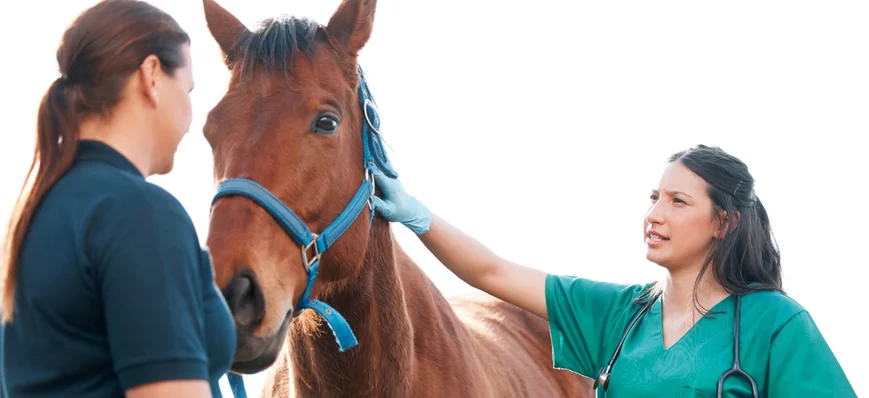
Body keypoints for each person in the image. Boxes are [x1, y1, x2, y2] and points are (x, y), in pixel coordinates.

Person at [371, 144, 856, 397]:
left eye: (678, 202)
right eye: (654, 198)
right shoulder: (619, 317)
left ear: (722, 223)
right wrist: (417, 215)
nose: (655, 215)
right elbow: (492, 273)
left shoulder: (774, 325)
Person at [0, 1, 235, 397]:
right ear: (152, 76)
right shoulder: (141, 215)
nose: (193, 115)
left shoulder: (37, 215)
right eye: (189, 89)